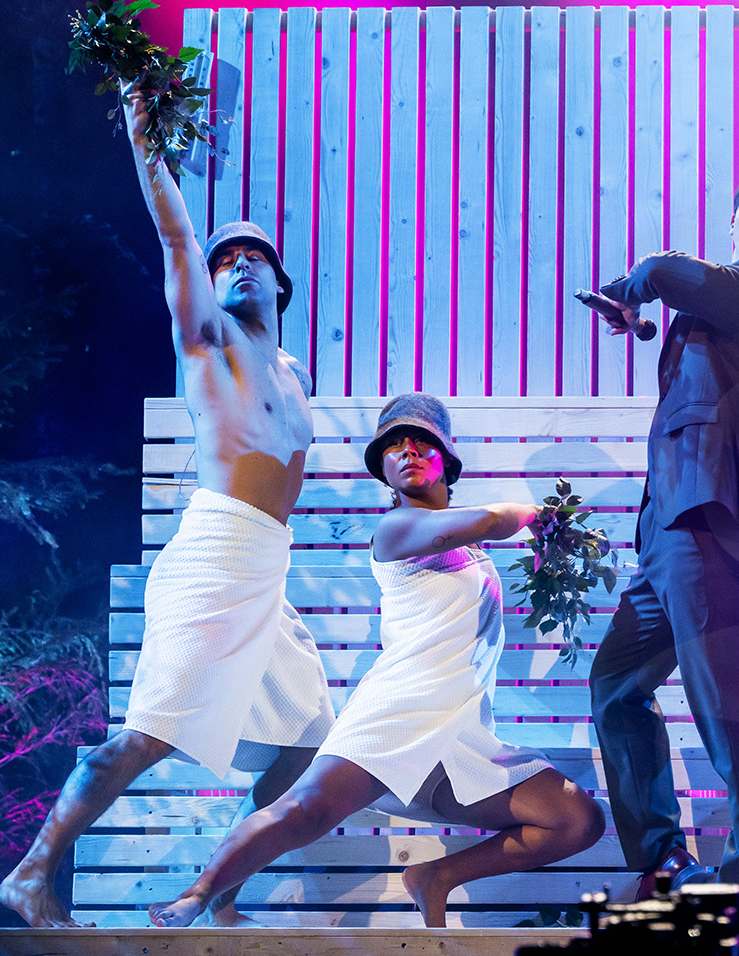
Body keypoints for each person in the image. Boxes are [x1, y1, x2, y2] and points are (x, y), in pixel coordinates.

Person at [3, 90, 335, 928]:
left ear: (281, 283)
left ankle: (219, 892)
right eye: (227, 260)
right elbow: (177, 237)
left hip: (268, 571)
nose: (240, 264)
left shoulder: (294, 376)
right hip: (216, 552)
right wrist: (142, 127)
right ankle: (32, 873)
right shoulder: (208, 342)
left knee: (305, 739)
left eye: (256, 256)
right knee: (150, 734)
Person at [147, 394, 604, 928]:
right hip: (397, 710)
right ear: (383, 470)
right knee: (305, 810)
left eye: (421, 442)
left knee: (576, 819)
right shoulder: (396, 530)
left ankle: (435, 877)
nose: (407, 451)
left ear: (446, 459)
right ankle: (200, 895)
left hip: (458, 733)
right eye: (393, 446)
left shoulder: (472, 552)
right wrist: (539, 517)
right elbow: (491, 518)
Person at [583, 166, 739, 897]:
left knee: (725, 704)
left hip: (711, 522)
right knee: (616, 686)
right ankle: (663, 857)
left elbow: (665, 270)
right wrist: (639, 300)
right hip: (667, 529)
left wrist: (634, 287)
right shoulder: (723, 300)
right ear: (733, 217)